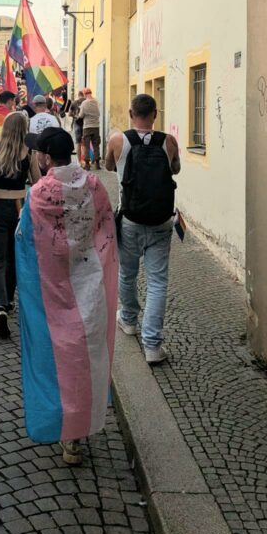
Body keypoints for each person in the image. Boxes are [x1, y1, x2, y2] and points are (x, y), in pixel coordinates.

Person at [15, 127, 117, 466]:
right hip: (89, 280)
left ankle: (66, 426)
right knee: (84, 354)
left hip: (53, 286)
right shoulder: (94, 185)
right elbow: (105, 225)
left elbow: (26, 241)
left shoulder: (39, 193)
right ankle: (77, 433)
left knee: (60, 356)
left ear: (45, 157)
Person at [105, 92, 181, 364]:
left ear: (130, 113)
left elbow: (107, 165)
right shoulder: (169, 141)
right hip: (161, 221)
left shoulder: (118, 140)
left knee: (127, 273)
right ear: (155, 115)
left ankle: (128, 320)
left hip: (130, 220)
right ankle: (152, 345)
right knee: (158, 281)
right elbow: (176, 169)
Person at [0, 111, 40, 338]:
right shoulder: (28, 152)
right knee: (14, 256)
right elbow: (39, 183)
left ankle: (1, 306)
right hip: (20, 209)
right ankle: (10, 299)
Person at [79, 88, 101, 170]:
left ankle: (87, 165)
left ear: (85, 94)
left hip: (87, 127)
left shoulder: (84, 103)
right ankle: (97, 164)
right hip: (96, 126)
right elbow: (98, 113)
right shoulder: (96, 102)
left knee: (86, 146)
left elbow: (81, 115)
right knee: (96, 145)